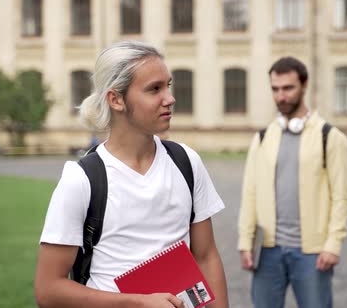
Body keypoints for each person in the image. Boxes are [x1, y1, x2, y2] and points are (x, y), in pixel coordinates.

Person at [35, 41, 229, 308]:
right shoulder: (82, 180)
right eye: (154, 89)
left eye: (168, 86)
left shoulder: (186, 161)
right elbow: (48, 289)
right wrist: (137, 302)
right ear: (116, 99)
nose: (169, 98)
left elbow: (206, 257)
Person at [237, 57, 347, 308]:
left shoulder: (330, 138)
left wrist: (333, 245)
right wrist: (246, 242)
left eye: (288, 88)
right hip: (267, 251)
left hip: (312, 253)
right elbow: (250, 194)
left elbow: (341, 198)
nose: (281, 96)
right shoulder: (263, 137)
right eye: (275, 89)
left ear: (304, 85)